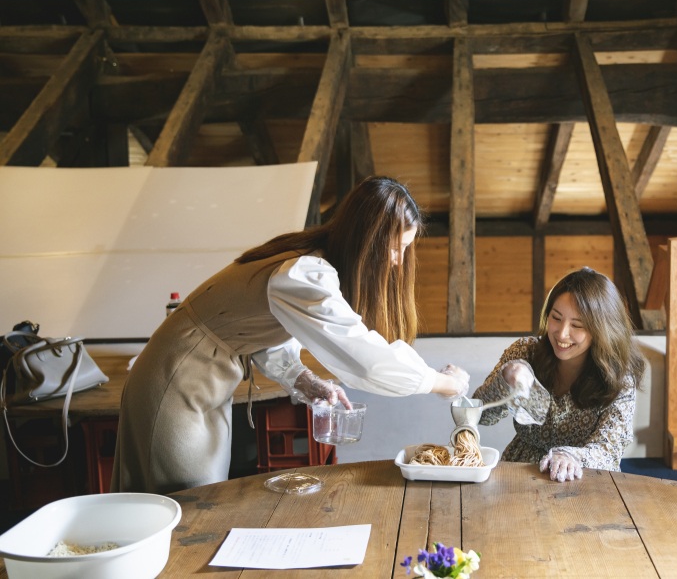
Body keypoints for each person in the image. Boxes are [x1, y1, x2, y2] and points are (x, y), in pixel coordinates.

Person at [111, 176, 470, 494]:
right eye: (395, 248)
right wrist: (443, 383)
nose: (397, 261)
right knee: (185, 502)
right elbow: (367, 362)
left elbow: (259, 330)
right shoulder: (303, 272)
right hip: (176, 377)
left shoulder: (308, 263)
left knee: (203, 493)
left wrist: (304, 380)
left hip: (199, 379)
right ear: (367, 241)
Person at [473, 267, 645, 482]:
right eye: (556, 318)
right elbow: (480, 415)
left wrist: (569, 457)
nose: (562, 334)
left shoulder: (618, 375)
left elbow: (610, 447)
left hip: (585, 476)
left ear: (602, 329)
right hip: (522, 470)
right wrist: (505, 381)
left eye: (577, 325)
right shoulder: (525, 352)